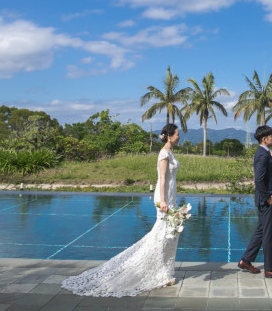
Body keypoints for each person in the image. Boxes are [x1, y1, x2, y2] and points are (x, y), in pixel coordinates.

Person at [61, 123, 182, 297]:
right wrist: (163, 201)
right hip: (164, 197)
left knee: (170, 234)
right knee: (163, 234)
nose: (179, 137)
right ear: (169, 136)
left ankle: (166, 273)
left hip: (171, 195)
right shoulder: (164, 154)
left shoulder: (171, 152)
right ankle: (155, 272)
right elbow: (162, 179)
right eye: (177, 134)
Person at [238, 125, 272, 279]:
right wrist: (269, 198)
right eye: (270, 136)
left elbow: (271, 177)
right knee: (268, 235)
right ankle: (270, 269)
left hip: (270, 199)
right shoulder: (262, 155)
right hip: (267, 201)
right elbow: (259, 180)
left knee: (262, 231)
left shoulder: (266, 153)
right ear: (264, 138)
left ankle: (246, 260)